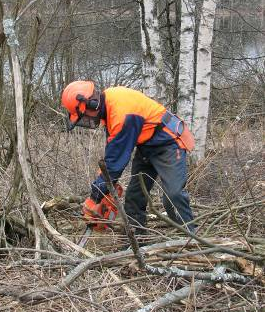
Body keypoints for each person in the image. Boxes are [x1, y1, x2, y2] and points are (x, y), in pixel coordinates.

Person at [61, 80, 196, 237]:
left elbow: (115, 163)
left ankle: (191, 239)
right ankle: (137, 240)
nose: (86, 121)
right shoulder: (108, 104)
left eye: (84, 117)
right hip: (146, 145)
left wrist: (97, 193)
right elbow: (112, 155)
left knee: (173, 196)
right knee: (134, 196)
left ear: (92, 104)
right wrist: (103, 185)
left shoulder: (122, 114)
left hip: (168, 143)